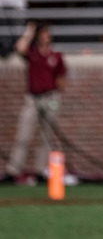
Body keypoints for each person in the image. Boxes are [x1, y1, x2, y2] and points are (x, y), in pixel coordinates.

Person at [2, 22, 66, 184]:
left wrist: (56, 96)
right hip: (33, 98)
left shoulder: (56, 55)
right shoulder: (32, 53)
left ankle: (41, 171)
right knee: (23, 135)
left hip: (50, 98)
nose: (47, 36)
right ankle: (13, 171)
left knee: (47, 137)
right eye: (44, 33)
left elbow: (61, 78)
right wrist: (29, 32)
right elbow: (20, 48)